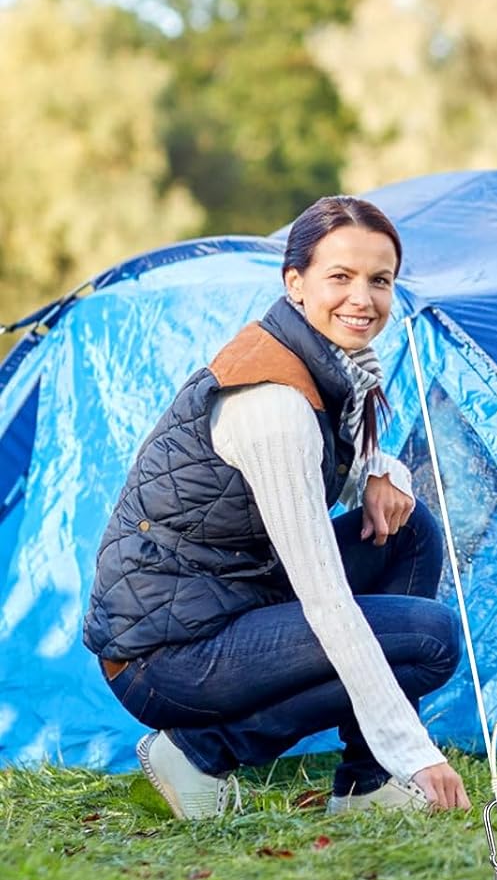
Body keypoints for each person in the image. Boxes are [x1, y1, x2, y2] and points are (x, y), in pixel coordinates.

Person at [83, 195, 471, 819]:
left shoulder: (329, 368)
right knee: (430, 639)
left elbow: (329, 469)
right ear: (295, 283)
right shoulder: (274, 404)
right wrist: (415, 752)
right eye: (339, 277)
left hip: (228, 598)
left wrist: (383, 470)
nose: (362, 299)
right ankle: (201, 751)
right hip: (162, 653)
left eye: (380, 280)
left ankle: (364, 786)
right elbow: (325, 600)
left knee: (411, 532)